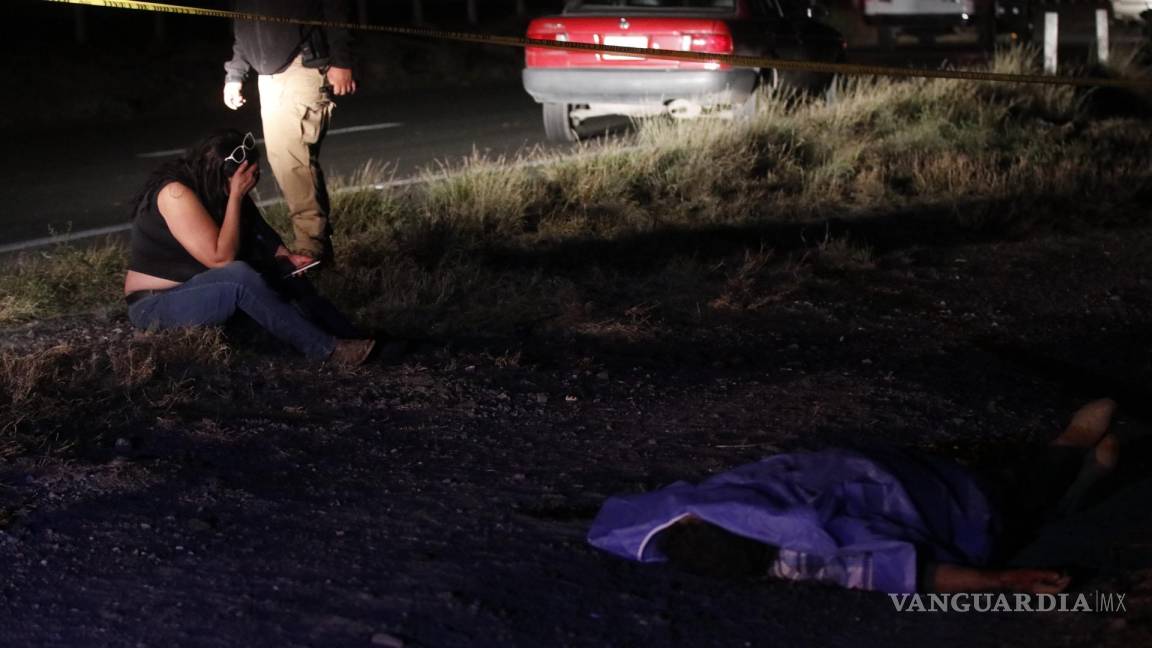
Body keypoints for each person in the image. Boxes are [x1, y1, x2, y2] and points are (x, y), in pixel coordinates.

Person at [589, 399, 1123, 594]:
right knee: (1020, 500)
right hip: (944, 492)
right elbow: (918, 574)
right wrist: (1003, 581)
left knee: (1023, 506)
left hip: (938, 496)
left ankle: (1079, 462)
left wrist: (1004, 582)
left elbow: (909, 575)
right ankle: (1076, 450)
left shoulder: (790, 554)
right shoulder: (731, 494)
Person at [123, 129, 375, 366]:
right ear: (220, 174)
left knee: (286, 273)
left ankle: (352, 336)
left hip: (201, 289)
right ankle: (326, 350)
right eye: (243, 182)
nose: (248, 188)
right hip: (156, 305)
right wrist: (235, 196)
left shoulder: (213, 186)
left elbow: (256, 228)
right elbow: (220, 259)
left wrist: (285, 257)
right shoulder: (175, 194)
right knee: (239, 277)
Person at [223, 0, 356, 263]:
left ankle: (310, 248)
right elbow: (245, 24)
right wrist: (235, 74)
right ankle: (317, 246)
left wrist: (341, 60)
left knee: (291, 159)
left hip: (301, 65)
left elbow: (335, 8)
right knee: (289, 160)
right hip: (269, 75)